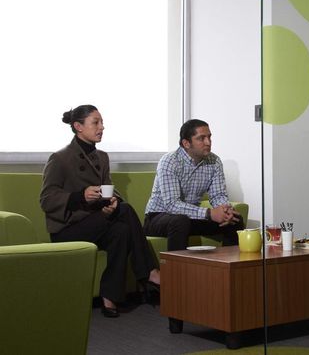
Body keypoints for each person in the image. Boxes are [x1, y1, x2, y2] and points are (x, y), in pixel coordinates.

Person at [40, 105, 160, 318]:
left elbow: (109, 188)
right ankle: (149, 271)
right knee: (125, 210)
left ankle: (109, 296)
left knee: (121, 230)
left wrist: (112, 201)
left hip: (96, 222)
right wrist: (80, 196)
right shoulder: (60, 158)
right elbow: (46, 199)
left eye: (101, 122)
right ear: (78, 126)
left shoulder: (102, 157)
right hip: (68, 229)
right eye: (95, 122)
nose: (102, 127)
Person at [143, 119, 243, 252]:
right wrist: (209, 213)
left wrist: (226, 210)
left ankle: (226, 263)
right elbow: (172, 205)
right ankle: (176, 266)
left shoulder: (214, 161)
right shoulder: (169, 161)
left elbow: (218, 195)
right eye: (201, 138)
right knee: (179, 221)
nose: (208, 142)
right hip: (158, 217)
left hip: (190, 217)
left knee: (235, 220)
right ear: (186, 143)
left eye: (209, 137)